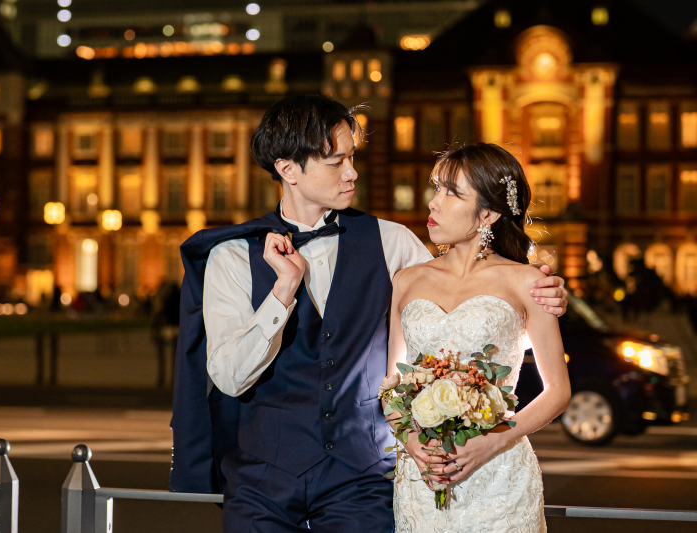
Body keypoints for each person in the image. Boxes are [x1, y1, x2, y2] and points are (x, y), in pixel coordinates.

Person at [169, 95, 568, 532]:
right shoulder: (232, 257)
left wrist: (548, 298)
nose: (352, 172)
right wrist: (282, 292)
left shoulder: (392, 241)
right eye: (336, 161)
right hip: (263, 477)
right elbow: (229, 378)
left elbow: (467, 300)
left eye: (352, 157)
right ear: (288, 170)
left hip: (360, 479)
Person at [386, 143, 571, 532]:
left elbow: (558, 391)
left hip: (498, 475)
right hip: (425, 474)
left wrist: (494, 440)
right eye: (436, 188)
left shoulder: (528, 282)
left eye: (451, 193)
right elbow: (392, 384)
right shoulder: (407, 281)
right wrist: (413, 444)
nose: (434, 203)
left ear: (487, 213)